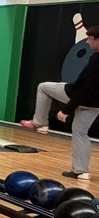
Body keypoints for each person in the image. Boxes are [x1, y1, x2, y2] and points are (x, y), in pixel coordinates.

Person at [20, 25, 99, 181]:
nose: (87, 42)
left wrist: (66, 110)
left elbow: (85, 89)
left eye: (90, 39)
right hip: (95, 104)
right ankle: (81, 171)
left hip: (76, 95)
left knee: (43, 87)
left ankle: (40, 123)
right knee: (80, 133)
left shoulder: (96, 60)